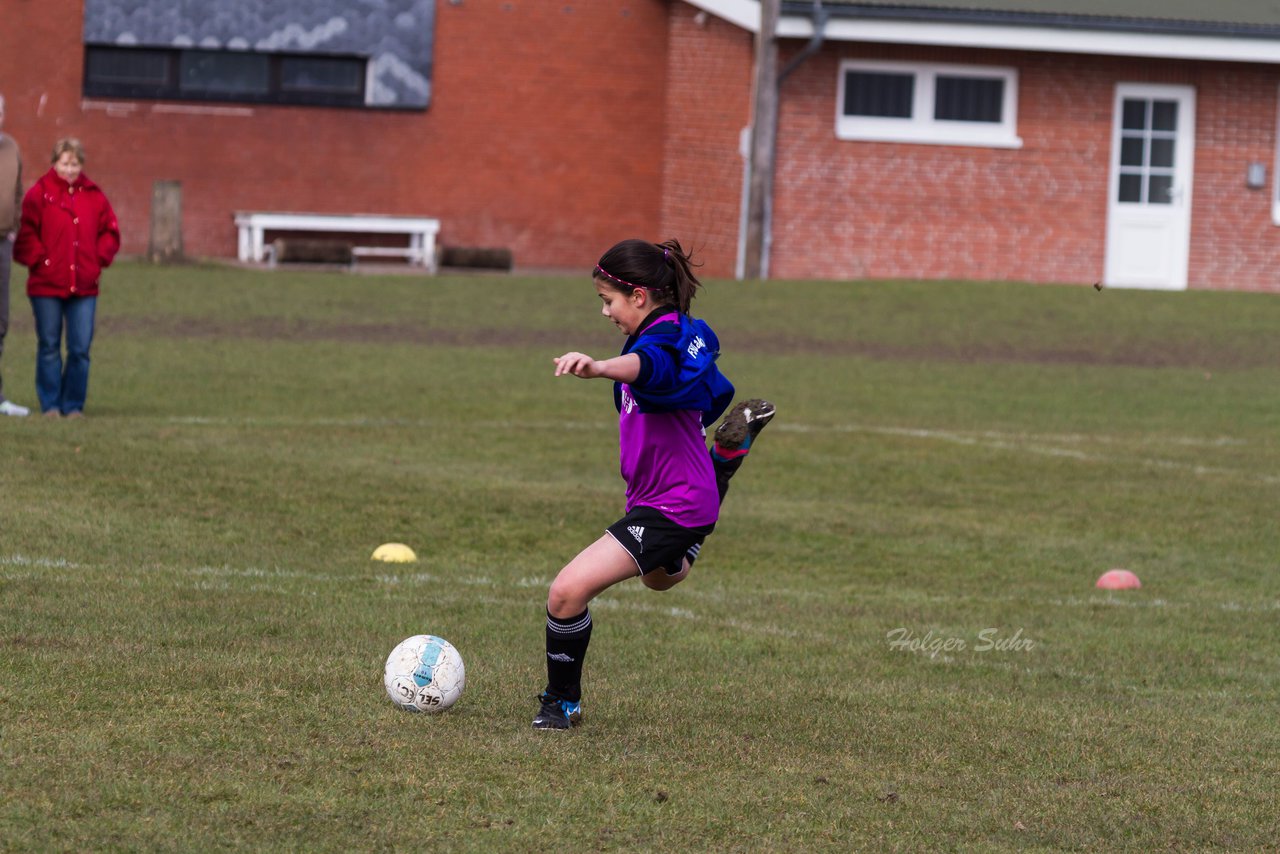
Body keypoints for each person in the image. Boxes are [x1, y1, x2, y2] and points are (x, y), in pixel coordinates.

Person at [533, 237, 775, 729]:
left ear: (640, 296)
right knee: (661, 579)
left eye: (608, 300)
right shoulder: (673, 333)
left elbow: (650, 367)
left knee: (565, 592)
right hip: (665, 497)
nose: (605, 312)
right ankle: (721, 465)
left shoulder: (660, 342)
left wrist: (601, 368)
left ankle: (561, 704)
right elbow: (695, 389)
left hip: (673, 503)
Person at [14, 138, 120, 418]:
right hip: (45, 286)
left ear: (81, 165)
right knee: (49, 346)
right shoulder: (39, 194)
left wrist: (97, 261)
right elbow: (25, 234)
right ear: (54, 163)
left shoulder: (95, 196)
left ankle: (74, 405)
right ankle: (50, 404)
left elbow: (109, 232)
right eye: (65, 163)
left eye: (75, 164)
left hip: (84, 286)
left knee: (80, 349)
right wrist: (42, 260)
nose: (70, 169)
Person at [0, 93, 31, 417]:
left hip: (1, 244)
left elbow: (17, 191)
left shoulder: (11, 147)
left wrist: (14, 227)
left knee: (0, 321)